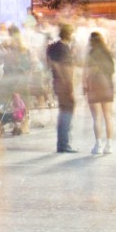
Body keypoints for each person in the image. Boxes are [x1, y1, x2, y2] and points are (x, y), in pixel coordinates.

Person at [46, 24, 79, 154]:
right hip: (64, 85)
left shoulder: (53, 47)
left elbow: (50, 63)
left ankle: (62, 143)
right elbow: (66, 70)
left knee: (63, 112)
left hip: (57, 83)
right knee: (66, 112)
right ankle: (64, 144)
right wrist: (70, 89)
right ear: (69, 34)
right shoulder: (63, 49)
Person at [85, 31, 115, 155]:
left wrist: (86, 85)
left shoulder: (92, 54)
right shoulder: (108, 53)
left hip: (95, 86)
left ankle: (98, 145)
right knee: (108, 116)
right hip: (108, 85)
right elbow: (112, 71)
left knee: (97, 117)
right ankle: (109, 144)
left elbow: (90, 71)